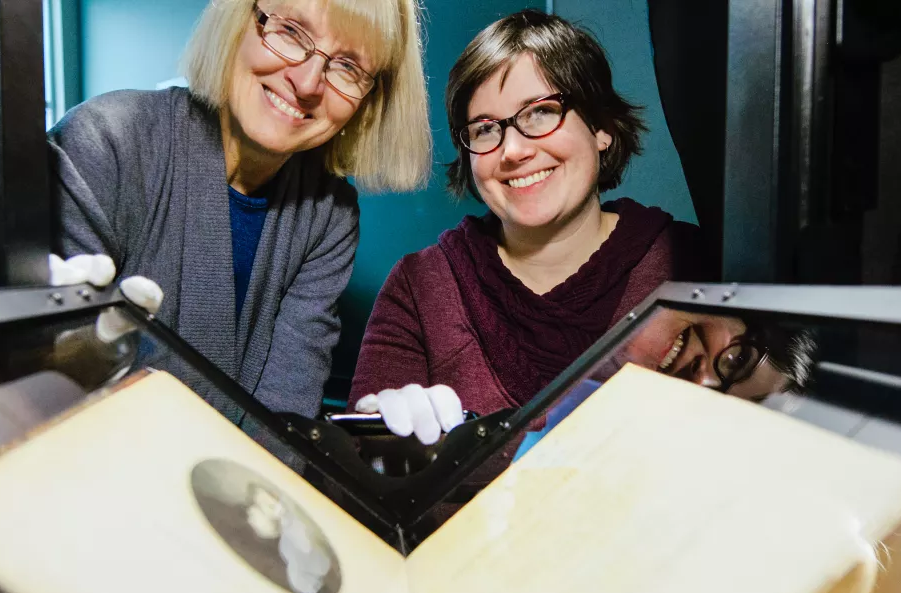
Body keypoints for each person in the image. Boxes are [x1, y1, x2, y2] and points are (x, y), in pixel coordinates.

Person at [347, 9, 721, 444]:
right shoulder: (420, 288)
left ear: (601, 127)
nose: (514, 150)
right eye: (485, 129)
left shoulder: (695, 261)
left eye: (541, 112)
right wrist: (379, 444)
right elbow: (359, 480)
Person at [50, 0, 430, 420]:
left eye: (348, 68)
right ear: (237, 21)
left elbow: (283, 416)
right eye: (290, 31)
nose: (306, 83)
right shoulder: (106, 143)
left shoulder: (329, 215)